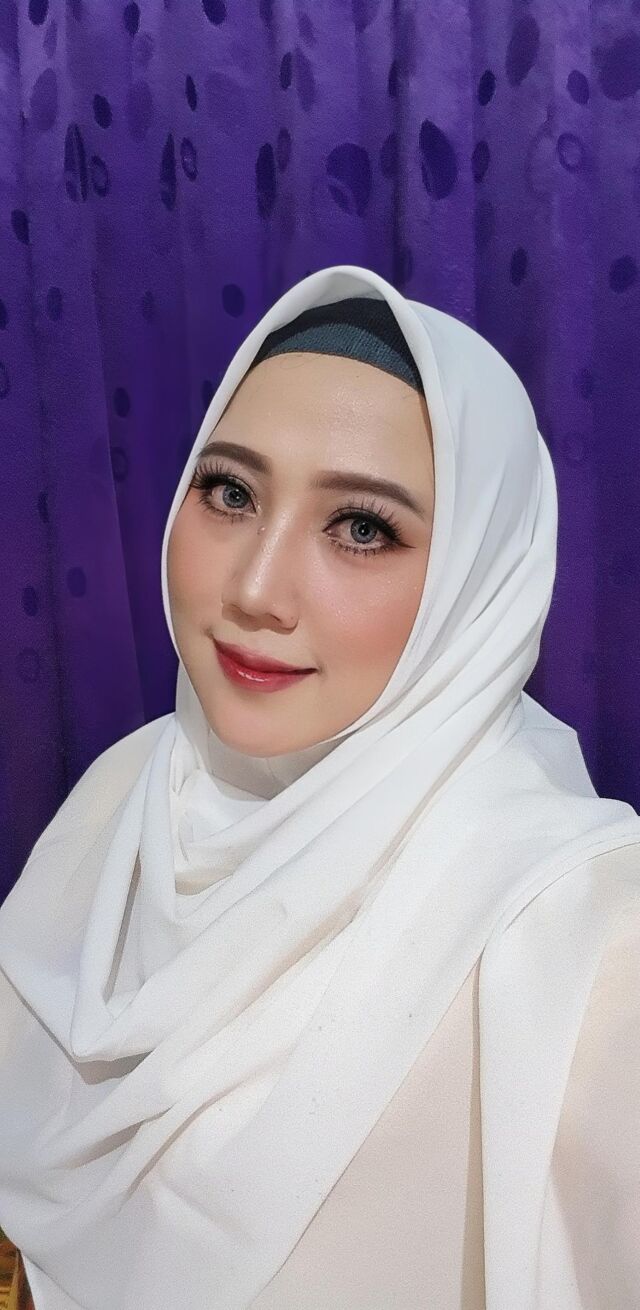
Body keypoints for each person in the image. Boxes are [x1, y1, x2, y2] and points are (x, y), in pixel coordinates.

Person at [0, 265, 638, 1310]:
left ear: (479, 579)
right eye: (230, 492)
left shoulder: (586, 932)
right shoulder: (130, 790)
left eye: (363, 528)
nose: (255, 591)